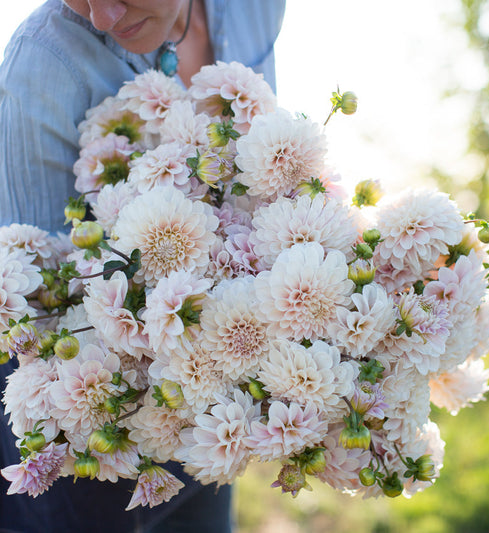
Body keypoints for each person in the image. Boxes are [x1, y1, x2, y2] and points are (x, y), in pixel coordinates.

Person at [0, 1, 286, 531]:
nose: (104, 15)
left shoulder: (256, 8)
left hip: (213, 406)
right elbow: (32, 303)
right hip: (95, 418)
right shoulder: (42, 64)